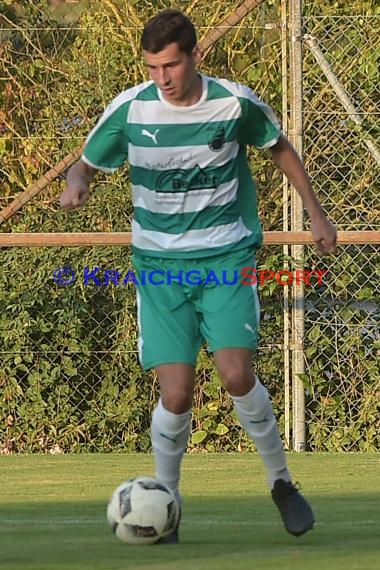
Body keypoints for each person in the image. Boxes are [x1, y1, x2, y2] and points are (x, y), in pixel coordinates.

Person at [60, 8, 337, 543]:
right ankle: (170, 506)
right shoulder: (131, 109)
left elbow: (279, 148)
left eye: (170, 65)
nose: (161, 78)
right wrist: (78, 184)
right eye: (152, 67)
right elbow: (85, 163)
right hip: (159, 266)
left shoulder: (233, 102)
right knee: (178, 393)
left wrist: (318, 212)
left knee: (235, 374)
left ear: (194, 57)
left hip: (225, 259)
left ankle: (281, 483)